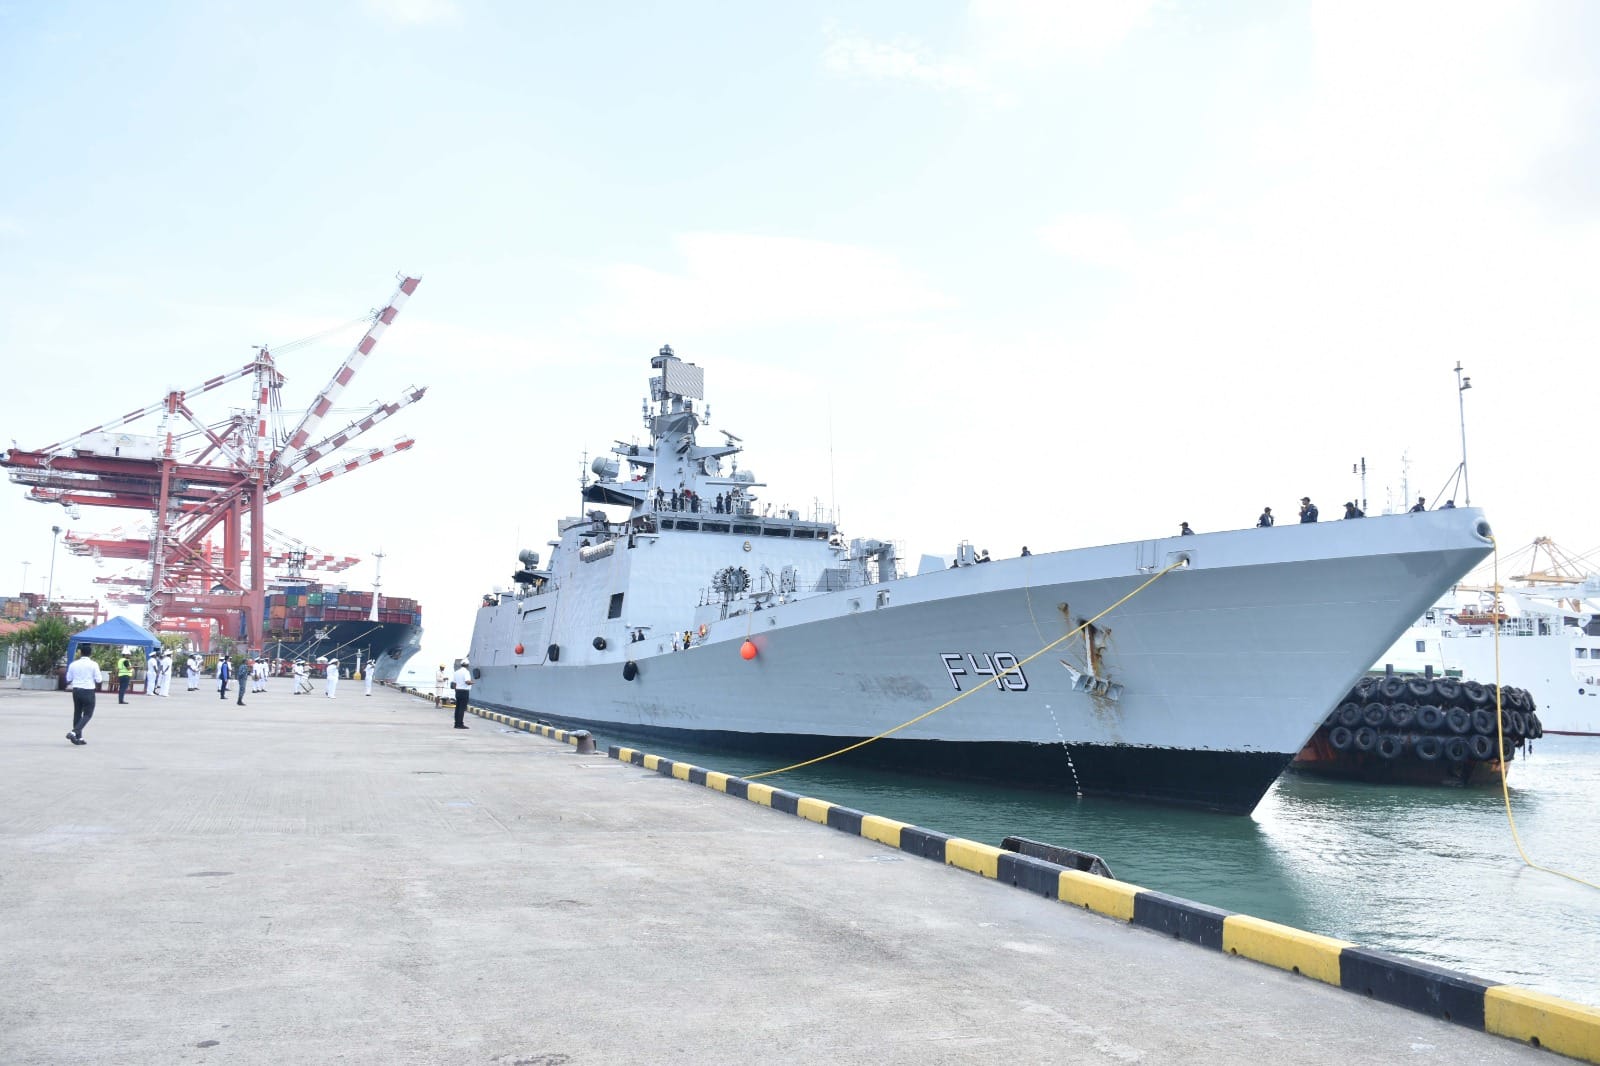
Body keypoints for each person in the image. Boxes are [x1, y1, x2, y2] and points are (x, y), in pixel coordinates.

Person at [65, 644, 104, 746]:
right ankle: (73, 732)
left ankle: (79, 738)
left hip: (76, 690)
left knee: (77, 713)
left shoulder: (73, 664)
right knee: (88, 714)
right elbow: (99, 679)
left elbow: (68, 679)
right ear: (90, 654)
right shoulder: (93, 664)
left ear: (80, 653)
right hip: (88, 690)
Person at [452, 657, 472, 728]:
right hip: (464, 692)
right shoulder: (466, 672)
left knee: (457, 708)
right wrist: (472, 682)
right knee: (462, 709)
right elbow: (467, 682)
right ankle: (460, 724)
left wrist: (456, 690)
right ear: (467, 665)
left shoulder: (456, 672)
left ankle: (456, 723)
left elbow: (454, 684)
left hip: (458, 691)